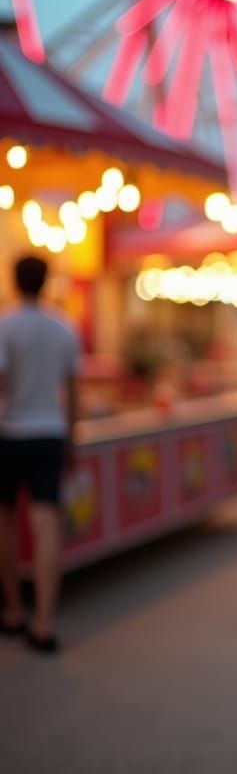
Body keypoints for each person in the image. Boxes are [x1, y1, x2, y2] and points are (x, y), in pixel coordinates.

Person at [0, 255, 81, 654]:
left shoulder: (5, 325)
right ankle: (45, 623)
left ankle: (15, 611)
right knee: (46, 524)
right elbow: (74, 391)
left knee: (6, 523)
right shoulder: (64, 327)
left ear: (14, 281)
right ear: (46, 281)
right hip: (51, 432)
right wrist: (72, 438)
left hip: (10, 432)